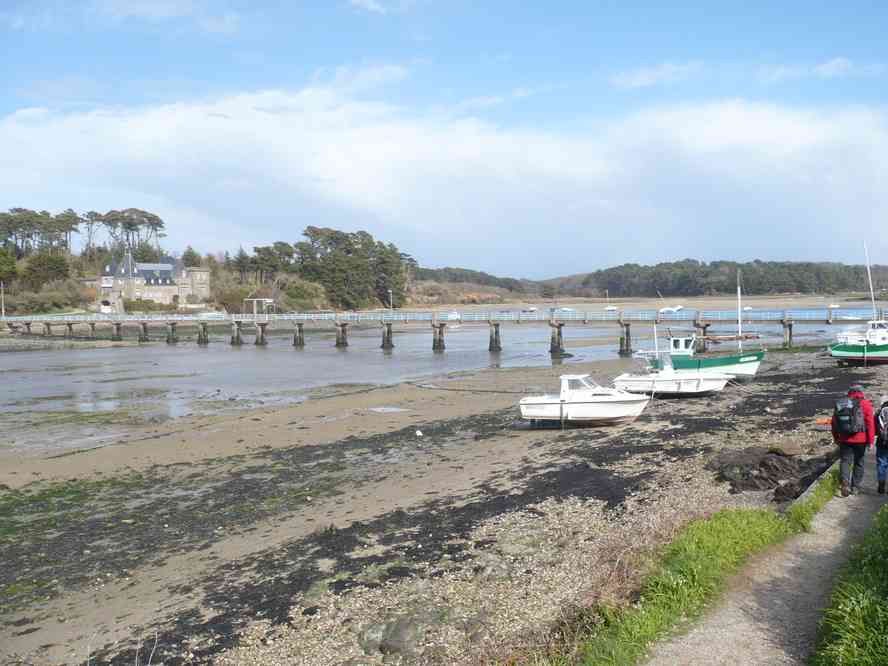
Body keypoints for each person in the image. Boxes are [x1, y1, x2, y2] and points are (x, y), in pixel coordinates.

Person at [832, 384, 876, 497]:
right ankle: (855, 487)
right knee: (859, 462)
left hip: (845, 439)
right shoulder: (866, 404)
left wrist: (836, 437)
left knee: (845, 461)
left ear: (850, 392)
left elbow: (834, 423)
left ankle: (845, 483)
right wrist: (871, 441)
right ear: (861, 392)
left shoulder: (842, 403)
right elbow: (871, 424)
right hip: (861, 440)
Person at [876, 394, 888, 495]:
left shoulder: (880, 413)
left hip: (882, 441)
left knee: (881, 463)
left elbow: (875, 429)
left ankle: (881, 485)